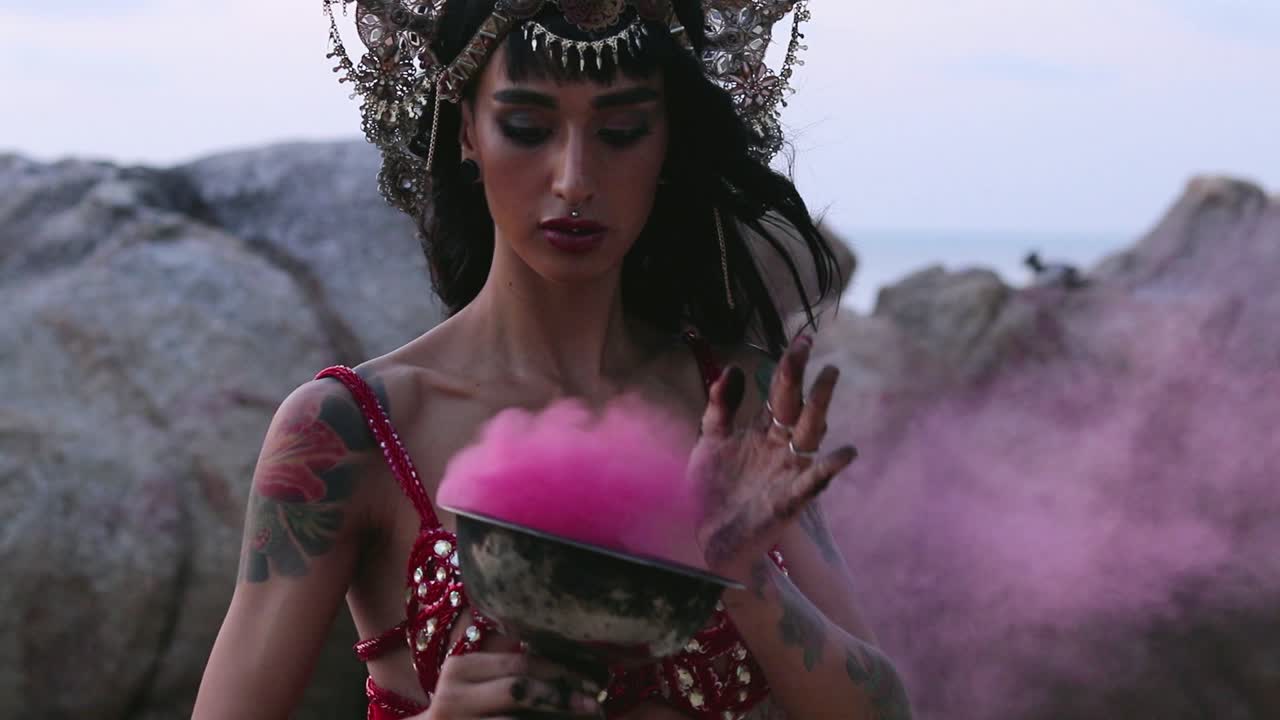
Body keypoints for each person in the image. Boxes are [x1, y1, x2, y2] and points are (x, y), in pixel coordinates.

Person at [195, 1, 911, 718]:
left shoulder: (732, 397)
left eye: (622, 131)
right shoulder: (351, 432)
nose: (573, 179)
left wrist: (744, 573)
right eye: (527, 128)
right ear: (468, 130)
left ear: (667, 140)